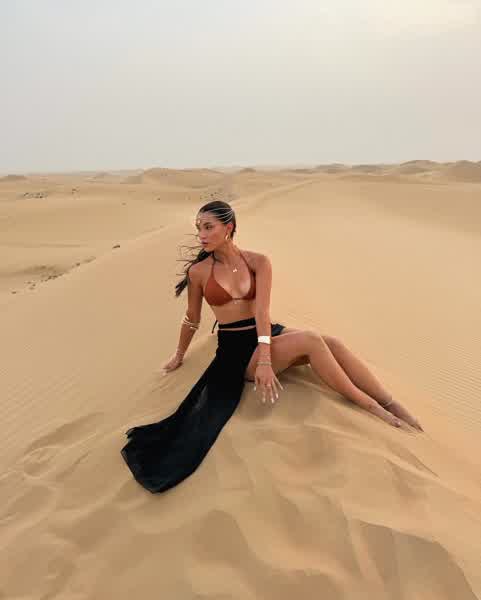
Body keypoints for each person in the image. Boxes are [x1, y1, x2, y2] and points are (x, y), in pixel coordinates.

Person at [121, 200, 423, 493]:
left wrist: (266, 359)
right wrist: (179, 354)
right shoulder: (199, 272)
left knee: (332, 342)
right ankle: (370, 407)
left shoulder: (258, 262)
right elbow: (192, 319)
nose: (201, 234)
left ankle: (389, 402)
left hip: (264, 335)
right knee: (311, 340)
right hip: (236, 352)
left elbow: (262, 314)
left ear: (229, 228)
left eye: (208, 227)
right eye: (198, 227)